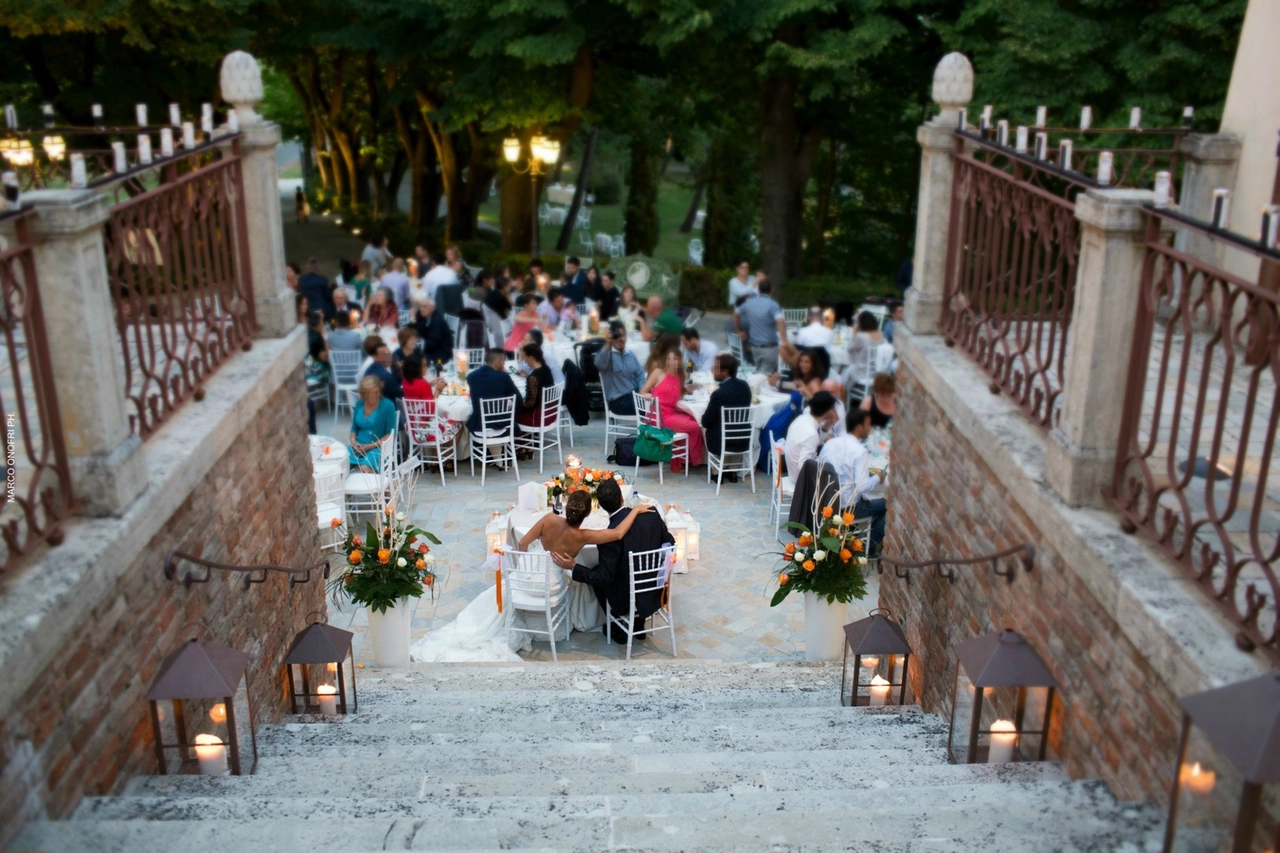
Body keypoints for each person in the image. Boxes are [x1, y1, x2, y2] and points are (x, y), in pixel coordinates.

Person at [550, 479, 674, 643]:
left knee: (594, 574)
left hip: (628, 598)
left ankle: (617, 625)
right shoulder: (651, 513)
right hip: (657, 590)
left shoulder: (608, 537)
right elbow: (669, 542)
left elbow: (603, 578)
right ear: (622, 498)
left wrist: (574, 566)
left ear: (601, 507)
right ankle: (638, 623)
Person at [818, 408, 886, 548]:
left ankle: (850, 537)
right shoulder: (859, 451)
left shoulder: (830, 443)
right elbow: (862, 486)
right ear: (859, 427)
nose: (870, 428)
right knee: (888, 505)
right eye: (868, 425)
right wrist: (878, 478)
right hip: (847, 507)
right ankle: (868, 548)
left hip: (825, 500)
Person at [639, 349, 705, 472]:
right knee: (695, 426)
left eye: (674, 359)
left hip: (670, 414)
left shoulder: (680, 377)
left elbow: (679, 391)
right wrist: (646, 395)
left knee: (694, 419)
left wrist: (691, 388)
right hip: (658, 417)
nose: (671, 362)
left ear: (680, 361)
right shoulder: (658, 373)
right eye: (669, 359)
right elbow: (642, 391)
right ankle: (686, 459)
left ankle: (680, 458)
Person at [701, 353, 752, 458]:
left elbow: (706, 422)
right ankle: (732, 467)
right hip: (743, 439)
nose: (712, 371)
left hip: (722, 443)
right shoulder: (744, 386)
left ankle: (716, 469)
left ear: (725, 372)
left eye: (715, 368)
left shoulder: (719, 394)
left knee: (703, 426)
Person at [465, 348, 522, 436]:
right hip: (500, 426)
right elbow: (518, 399)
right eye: (503, 362)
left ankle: (481, 449)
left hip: (478, 427)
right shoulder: (503, 377)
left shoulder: (471, 377)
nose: (504, 364)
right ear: (497, 362)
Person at [733, 279, 786, 374]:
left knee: (759, 372)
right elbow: (780, 320)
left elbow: (736, 313)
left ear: (758, 291)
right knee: (764, 377)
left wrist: (738, 330)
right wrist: (784, 339)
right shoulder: (773, 305)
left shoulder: (748, 304)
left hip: (755, 347)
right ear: (771, 289)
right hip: (769, 347)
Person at [595, 320, 646, 416]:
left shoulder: (630, 354)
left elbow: (640, 375)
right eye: (616, 336)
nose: (619, 339)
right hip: (618, 402)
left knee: (656, 396)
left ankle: (649, 429)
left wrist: (642, 391)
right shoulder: (607, 355)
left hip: (634, 395)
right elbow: (598, 364)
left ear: (626, 336)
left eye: (622, 335)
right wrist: (607, 344)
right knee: (650, 405)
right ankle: (649, 429)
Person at [348, 375, 397, 472]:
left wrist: (371, 446)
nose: (373, 396)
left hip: (378, 447)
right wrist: (353, 441)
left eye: (376, 392)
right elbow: (354, 428)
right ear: (363, 394)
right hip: (358, 447)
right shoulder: (359, 404)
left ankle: (376, 484)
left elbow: (391, 434)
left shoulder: (388, 405)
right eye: (369, 393)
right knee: (342, 463)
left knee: (364, 468)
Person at [784, 391, 839, 478]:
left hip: (792, 470)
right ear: (829, 411)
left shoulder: (801, 419)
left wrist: (826, 427)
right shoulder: (812, 434)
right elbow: (803, 467)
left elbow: (814, 443)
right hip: (800, 479)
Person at [514, 343, 556, 438]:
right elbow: (540, 384)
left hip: (538, 417)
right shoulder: (546, 369)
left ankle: (523, 445)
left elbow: (530, 403)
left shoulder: (533, 377)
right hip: (550, 413)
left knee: (511, 415)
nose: (524, 359)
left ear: (531, 357)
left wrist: (516, 403)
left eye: (525, 356)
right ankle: (528, 444)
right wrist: (528, 377)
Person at [843, 310, 886, 394]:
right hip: (877, 371)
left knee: (844, 371)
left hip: (863, 372)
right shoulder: (881, 334)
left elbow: (849, 348)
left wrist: (854, 334)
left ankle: (844, 394)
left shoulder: (861, 337)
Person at [412, 297, 454, 366]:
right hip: (431, 349)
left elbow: (433, 342)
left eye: (425, 306)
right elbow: (418, 332)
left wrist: (417, 347)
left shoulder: (438, 321)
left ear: (433, 308)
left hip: (440, 353)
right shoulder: (426, 318)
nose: (421, 309)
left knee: (414, 359)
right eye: (421, 306)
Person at [304, 310, 330, 390]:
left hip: (304, 369)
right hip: (312, 371)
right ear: (319, 324)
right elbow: (325, 358)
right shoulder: (317, 338)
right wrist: (324, 337)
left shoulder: (305, 334)